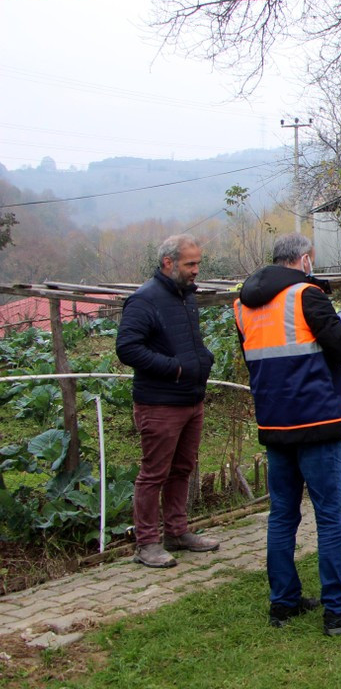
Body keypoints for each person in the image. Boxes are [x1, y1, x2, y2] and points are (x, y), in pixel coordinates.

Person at [234, 233, 341, 635]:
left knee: (282, 515)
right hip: (316, 420)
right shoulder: (306, 296)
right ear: (303, 260)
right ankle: (338, 608)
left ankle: (283, 602)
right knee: (331, 514)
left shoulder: (242, 306)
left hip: (274, 422)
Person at [116, 234, 219, 569]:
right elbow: (128, 348)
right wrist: (173, 368)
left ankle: (177, 531)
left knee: (183, 468)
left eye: (198, 263)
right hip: (159, 403)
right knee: (154, 473)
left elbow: (187, 342)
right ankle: (146, 544)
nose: (196, 270)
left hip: (191, 399)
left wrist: (203, 359)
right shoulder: (145, 300)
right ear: (168, 263)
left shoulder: (185, 297)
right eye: (190, 264)